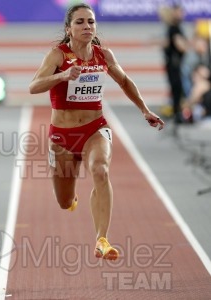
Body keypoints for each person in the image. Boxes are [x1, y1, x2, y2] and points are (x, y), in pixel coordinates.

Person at [29, 3, 164, 261]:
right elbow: (34, 86)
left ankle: (102, 239)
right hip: (63, 139)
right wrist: (63, 76)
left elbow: (125, 81)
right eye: (80, 22)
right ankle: (72, 201)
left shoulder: (104, 56)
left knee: (100, 170)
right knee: (64, 201)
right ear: (68, 29)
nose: (87, 26)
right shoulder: (58, 56)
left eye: (90, 21)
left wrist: (144, 109)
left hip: (95, 129)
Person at [159, 4, 188, 124]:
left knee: (177, 89)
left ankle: (177, 112)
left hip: (173, 64)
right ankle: (177, 114)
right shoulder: (174, 28)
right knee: (177, 89)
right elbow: (180, 46)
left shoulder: (174, 27)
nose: (182, 14)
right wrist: (188, 45)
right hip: (174, 64)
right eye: (180, 12)